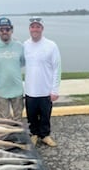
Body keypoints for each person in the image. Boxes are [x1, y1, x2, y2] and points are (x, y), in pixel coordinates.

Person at [24, 17, 61, 147]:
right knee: (31, 116)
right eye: (33, 27)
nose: (35, 29)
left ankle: (45, 135)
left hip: (45, 90)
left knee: (45, 116)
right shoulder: (25, 45)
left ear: (42, 29)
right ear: (29, 29)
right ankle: (34, 134)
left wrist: (55, 90)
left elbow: (57, 68)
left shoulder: (51, 46)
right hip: (30, 90)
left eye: (38, 27)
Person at [0, 17, 24, 121]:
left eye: (7, 29)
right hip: (1, 91)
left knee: (18, 119)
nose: (4, 32)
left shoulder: (20, 46)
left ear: (12, 30)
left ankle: (18, 137)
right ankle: (9, 137)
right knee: (5, 121)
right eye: (1, 29)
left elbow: (22, 63)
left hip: (17, 90)